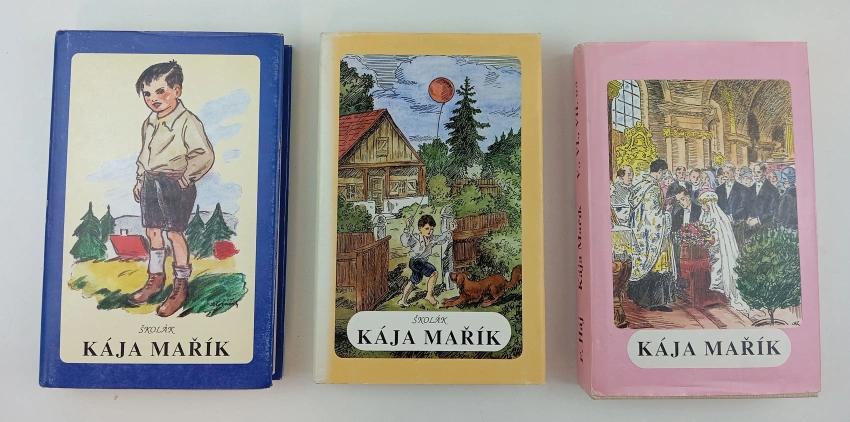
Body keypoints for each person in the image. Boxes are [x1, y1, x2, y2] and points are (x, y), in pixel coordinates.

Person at [128, 61, 215, 317]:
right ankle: (155, 279)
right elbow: (144, 156)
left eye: (160, 91)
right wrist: (140, 180)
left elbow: (204, 154)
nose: (153, 99)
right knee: (153, 231)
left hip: (176, 182)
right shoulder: (149, 123)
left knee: (174, 234)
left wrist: (186, 178)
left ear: (177, 90)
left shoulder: (188, 121)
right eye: (147, 94)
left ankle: (180, 286)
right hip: (151, 181)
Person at [626, 159, 677, 312]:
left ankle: (641, 298)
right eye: (663, 174)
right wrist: (667, 214)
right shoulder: (652, 188)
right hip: (654, 233)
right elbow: (654, 216)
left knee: (646, 261)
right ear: (659, 171)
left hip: (641, 232)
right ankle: (655, 301)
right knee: (658, 263)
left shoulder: (641, 184)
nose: (663, 177)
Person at [698, 191, 751, 314]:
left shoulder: (719, 218)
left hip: (720, 253)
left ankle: (722, 297)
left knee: (720, 272)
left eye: (704, 204)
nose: (702, 206)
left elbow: (718, 237)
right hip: (709, 251)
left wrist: (708, 239)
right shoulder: (704, 216)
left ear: (710, 204)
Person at [399, 214, 457, 307]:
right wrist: (407, 228)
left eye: (431, 229)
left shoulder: (432, 239)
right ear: (420, 228)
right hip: (415, 261)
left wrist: (450, 230)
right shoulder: (415, 238)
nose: (430, 231)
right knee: (434, 273)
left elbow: (442, 239)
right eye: (427, 229)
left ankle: (403, 300)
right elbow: (405, 242)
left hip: (421, 262)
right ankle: (429, 296)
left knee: (414, 280)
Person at [746, 163, 780, 233]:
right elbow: (747, 207)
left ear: (764, 173)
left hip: (765, 227)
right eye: (754, 172)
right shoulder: (749, 189)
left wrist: (758, 220)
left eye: (758, 172)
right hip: (750, 227)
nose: (755, 175)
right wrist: (748, 217)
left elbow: (773, 212)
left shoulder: (773, 190)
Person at [776, 167, 798, 231]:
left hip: (786, 228)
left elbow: (779, 214)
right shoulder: (798, 194)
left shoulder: (785, 197)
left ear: (785, 182)